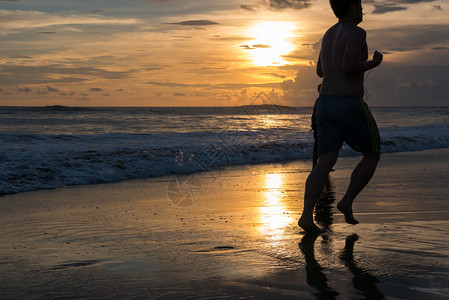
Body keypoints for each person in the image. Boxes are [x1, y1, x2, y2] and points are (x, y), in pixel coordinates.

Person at [298, 0, 383, 233]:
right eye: (360, 4)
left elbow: (320, 71)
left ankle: (306, 216)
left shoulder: (328, 33)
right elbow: (348, 67)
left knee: (325, 161)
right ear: (352, 6)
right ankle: (346, 201)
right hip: (348, 103)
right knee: (372, 153)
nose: (363, 9)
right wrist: (372, 63)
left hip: (325, 104)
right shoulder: (356, 32)